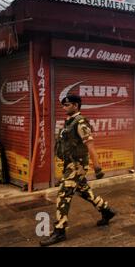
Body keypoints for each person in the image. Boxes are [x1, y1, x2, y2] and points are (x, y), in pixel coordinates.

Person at [40, 95, 116, 246]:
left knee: (63, 194)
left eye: (67, 105)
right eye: (63, 105)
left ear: (75, 105)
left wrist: (97, 167)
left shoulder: (81, 123)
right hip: (70, 164)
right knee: (84, 191)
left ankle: (60, 230)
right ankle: (106, 210)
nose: (64, 108)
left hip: (77, 165)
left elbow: (90, 145)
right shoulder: (69, 122)